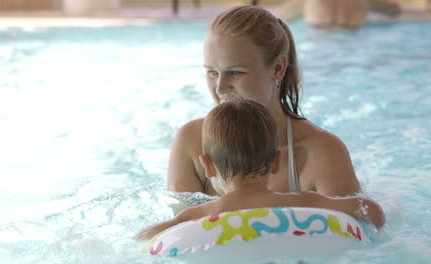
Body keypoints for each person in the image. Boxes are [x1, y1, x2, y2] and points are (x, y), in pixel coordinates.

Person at [167, 5, 361, 197]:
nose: (219, 88)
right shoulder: (192, 142)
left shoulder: (321, 152)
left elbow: (360, 221)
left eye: (235, 72)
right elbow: (176, 226)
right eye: (212, 72)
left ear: (278, 68)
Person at [138, 100, 385, 240]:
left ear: (208, 166)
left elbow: (147, 237)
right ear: (276, 162)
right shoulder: (305, 202)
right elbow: (371, 211)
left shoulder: (201, 213)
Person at [276, 0, 401, 28]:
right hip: (356, 44)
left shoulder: (307, 1)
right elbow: (395, 10)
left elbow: (278, 17)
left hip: (319, 40)